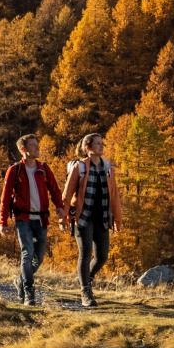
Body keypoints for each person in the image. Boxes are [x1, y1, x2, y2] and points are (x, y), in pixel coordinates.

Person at [0, 135, 65, 308]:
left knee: (39, 257)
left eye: (37, 145)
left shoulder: (43, 168)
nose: (37, 148)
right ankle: (29, 293)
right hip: (23, 219)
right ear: (24, 150)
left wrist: (59, 207)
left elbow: (55, 190)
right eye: (33, 146)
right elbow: (5, 198)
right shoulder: (15, 170)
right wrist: (3, 222)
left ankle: (20, 280)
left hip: (41, 219)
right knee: (27, 254)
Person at [64, 131, 122, 307]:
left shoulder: (107, 168)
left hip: (102, 216)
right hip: (83, 217)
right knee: (86, 251)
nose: (101, 146)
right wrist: (63, 217)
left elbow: (115, 195)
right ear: (88, 147)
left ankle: (86, 279)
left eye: (102, 143)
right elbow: (66, 194)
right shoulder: (80, 167)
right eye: (98, 144)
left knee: (102, 256)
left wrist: (118, 218)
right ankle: (86, 293)